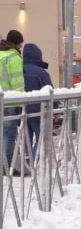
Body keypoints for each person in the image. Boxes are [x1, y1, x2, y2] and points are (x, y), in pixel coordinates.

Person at [23, 43, 55, 160]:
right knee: (41, 138)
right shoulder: (42, 73)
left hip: (23, 111)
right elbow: (50, 91)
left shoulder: (19, 70)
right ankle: (33, 162)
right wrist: (56, 109)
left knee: (26, 140)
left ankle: (25, 163)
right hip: (39, 112)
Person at [0, 30, 25, 172]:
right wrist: (22, 103)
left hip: (1, 99)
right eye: (21, 43)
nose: (21, 46)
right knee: (9, 135)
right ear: (16, 43)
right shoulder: (13, 57)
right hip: (11, 101)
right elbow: (18, 84)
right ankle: (7, 166)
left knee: (2, 133)